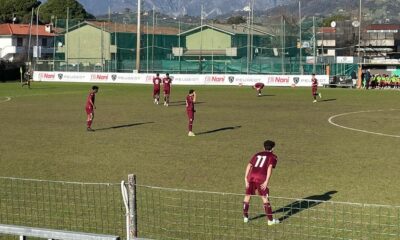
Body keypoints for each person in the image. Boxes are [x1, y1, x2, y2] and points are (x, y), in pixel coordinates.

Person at [243, 140, 280, 226]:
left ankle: (245, 217)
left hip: (251, 176)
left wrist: (245, 178)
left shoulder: (257, 154)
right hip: (261, 178)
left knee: (247, 195)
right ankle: (270, 220)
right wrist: (266, 181)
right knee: (265, 198)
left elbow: (249, 165)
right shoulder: (273, 156)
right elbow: (270, 167)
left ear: (263, 147)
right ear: (273, 148)